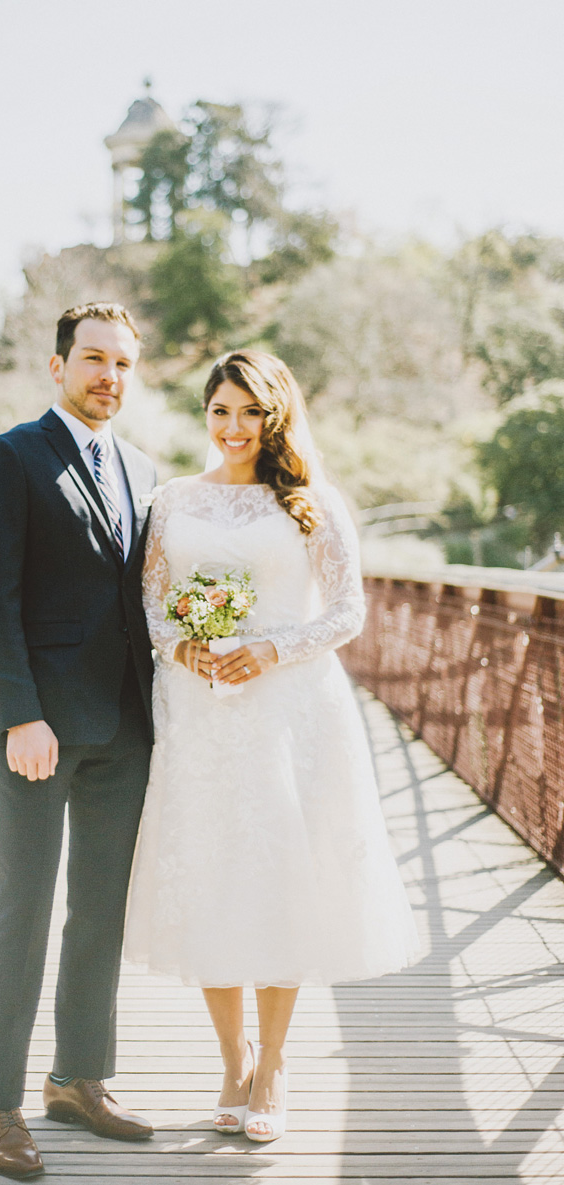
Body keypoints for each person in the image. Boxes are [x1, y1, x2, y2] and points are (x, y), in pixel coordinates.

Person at [126, 350, 421, 1143]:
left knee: (280, 872)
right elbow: (151, 605)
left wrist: (271, 649)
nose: (233, 427)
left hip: (287, 711)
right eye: (220, 410)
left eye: (249, 412)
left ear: (275, 415)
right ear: (206, 413)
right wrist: (185, 649)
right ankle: (232, 1057)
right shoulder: (171, 501)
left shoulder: (314, 503)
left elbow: (348, 611)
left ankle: (277, 1060)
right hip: (198, 712)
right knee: (212, 872)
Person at [0, 302, 158, 1179]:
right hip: (38, 728)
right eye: (91, 359)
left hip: (126, 724)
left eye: (121, 362)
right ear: (56, 365)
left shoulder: (144, 470)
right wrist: (19, 713)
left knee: (99, 914)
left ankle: (79, 1078)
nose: (107, 375)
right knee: (23, 911)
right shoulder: (13, 456)